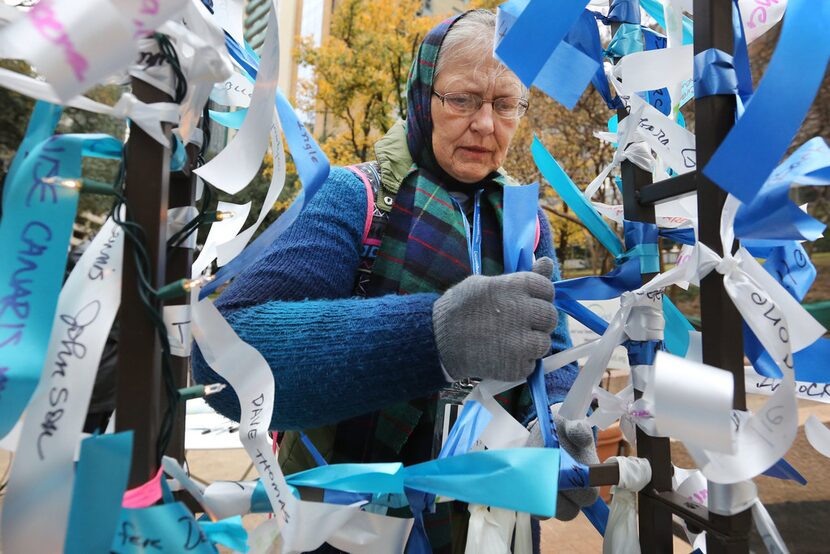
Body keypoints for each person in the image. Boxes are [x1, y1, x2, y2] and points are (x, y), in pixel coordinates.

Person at [193, 9, 598, 552]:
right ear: (421, 96)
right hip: (351, 527)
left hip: (488, 525)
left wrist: (561, 425)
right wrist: (433, 338)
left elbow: (549, 356)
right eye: (462, 99)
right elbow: (222, 362)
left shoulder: (528, 221)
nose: (485, 124)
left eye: (505, 105)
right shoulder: (352, 196)